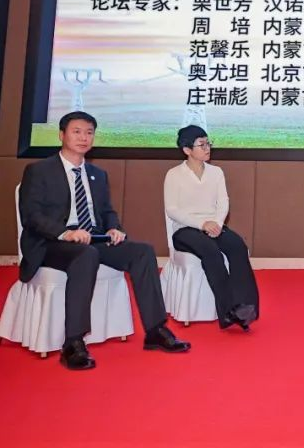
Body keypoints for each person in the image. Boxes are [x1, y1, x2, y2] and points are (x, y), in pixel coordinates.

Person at [18, 111, 189, 370]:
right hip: (52, 242)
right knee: (86, 255)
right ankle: (73, 343)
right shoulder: (39, 170)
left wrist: (114, 229)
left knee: (142, 251)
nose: (83, 138)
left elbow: (107, 212)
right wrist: (65, 233)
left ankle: (155, 330)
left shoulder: (97, 174)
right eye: (77, 132)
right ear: (61, 135)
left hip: (92, 238)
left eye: (89, 133)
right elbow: (31, 215)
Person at [164, 125, 259, 331]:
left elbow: (223, 202)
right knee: (211, 251)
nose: (208, 148)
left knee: (237, 246)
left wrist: (217, 222)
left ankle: (246, 307)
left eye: (208, 143)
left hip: (214, 225)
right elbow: (172, 210)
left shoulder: (216, 172)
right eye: (202, 145)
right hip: (185, 230)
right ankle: (229, 311)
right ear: (187, 150)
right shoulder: (174, 174)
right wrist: (201, 224)